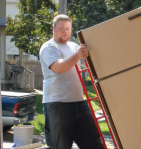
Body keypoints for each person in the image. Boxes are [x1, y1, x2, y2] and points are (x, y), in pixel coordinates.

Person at [39, 14, 104, 149]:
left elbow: (91, 63)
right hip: (57, 105)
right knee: (61, 146)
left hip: (79, 102)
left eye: (68, 28)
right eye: (62, 28)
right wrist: (78, 55)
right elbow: (58, 67)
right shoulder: (49, 47)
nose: (65, 32)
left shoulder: (74, 46)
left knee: (94, 143)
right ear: (53, 28)